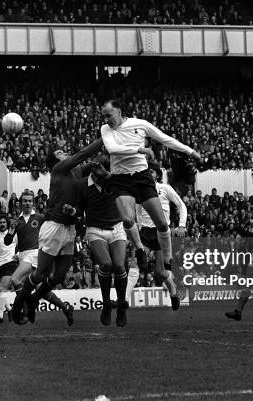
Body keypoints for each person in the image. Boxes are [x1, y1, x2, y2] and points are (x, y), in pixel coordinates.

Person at [99, 99, 200, 307]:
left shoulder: (140, 124)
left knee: (163, 225)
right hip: (121, 178)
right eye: (104, 116)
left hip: (142, 178)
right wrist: (140, 150)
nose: (106, 119)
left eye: (109, 115)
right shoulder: (106, 130)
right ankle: (138, 249)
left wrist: (189, 151)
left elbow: (165, 139)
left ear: (119, 111)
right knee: (127, 218)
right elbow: (112, 149)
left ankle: (169, 265)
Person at [10, 138, 104, 324]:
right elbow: (83, 154)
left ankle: (34, 300)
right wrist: (105, 136)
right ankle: (17, 308)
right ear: (56, 160)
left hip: (69, 229)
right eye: (60, 152)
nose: (65, 152)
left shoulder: (76, 170)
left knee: (59, 275)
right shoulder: (58, 169)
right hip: (53, 227)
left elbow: (96, 163)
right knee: (40, 274)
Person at [5, 190, 74, 326]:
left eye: (30, 201)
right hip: (24, 256)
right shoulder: (16, 221)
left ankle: (24, 314)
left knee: (15, 279)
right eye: (24, 201)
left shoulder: (40, 217)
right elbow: (7, 241)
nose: (27, 203)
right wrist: (11, 230)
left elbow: (53, 226)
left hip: (36, 254)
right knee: (43, 291)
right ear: (20, 203)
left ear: (33, 203)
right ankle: (66, 309)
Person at [77, 160, 128, 326]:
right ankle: (106, 304)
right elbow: (79, 209)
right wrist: (74, 212)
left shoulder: (113, 180)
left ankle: (121, 306)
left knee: (119, 266)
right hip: (95, 230)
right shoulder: (82, 185)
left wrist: (107, 175)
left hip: (116, 228)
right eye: (99, 175)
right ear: (93, 173)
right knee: (106, 264)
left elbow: (125, 183)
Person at [135, 163, 187, 310]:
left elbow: (181, 205)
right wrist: (138, 226)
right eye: (147, 172)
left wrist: (181, 225)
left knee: (160, 272)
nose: (149, 174)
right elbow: (137, 211)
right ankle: (123, 300)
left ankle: (173, 292)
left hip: (161, 233)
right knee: (136, 263)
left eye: (152, 171)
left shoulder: (165, 189)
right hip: (145, 232)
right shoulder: (141, 190)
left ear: (157, 175)